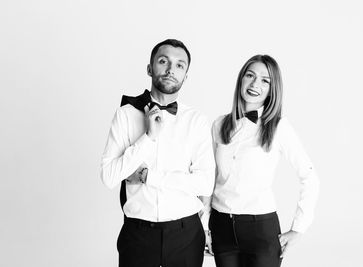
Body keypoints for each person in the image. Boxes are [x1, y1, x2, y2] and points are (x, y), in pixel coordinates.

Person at [100, 39, 215, 267]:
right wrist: (148, 137)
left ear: (185, 76)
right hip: (138, 234)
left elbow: (204, 184)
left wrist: (147, 177)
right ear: (149, 68)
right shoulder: (125, 115)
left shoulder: (196, 121)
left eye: (180, 65)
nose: (171, 70)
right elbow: (109, 177)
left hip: (186, 234)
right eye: (164, 61)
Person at [202, 54, 320, 267]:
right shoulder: (219, 125)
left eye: (265, 80)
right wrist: (204, 225)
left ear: (272, 88)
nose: (255, 84)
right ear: (241, 79)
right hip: (221, 227)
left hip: (260, 229)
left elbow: (309, 175)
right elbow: (209, 178)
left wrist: (299, 228)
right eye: (250, 75)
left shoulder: (279, 127)